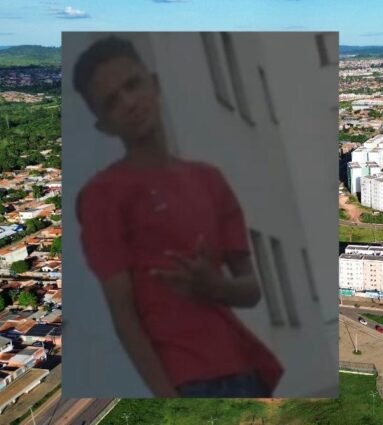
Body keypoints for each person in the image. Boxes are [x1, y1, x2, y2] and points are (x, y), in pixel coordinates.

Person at [73, 35, 283, 398]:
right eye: (111, 101)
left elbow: (251, 290)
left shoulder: (209, 179)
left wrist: (215, 287)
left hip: (246, 368)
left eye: (132, 85)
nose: (128, 102)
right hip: (188, 382)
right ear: (104, 125)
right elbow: (124, 317)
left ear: (154, 85)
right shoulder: (101, 196)